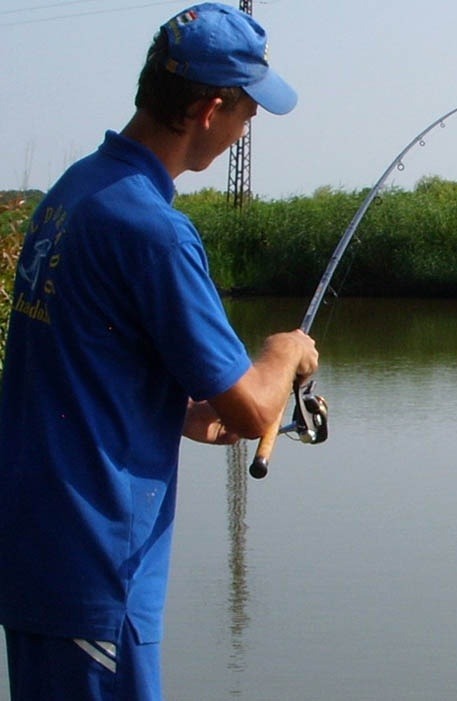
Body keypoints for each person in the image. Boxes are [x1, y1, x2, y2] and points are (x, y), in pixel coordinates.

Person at [0, 4, 317, 699]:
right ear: (210, 109)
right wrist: (285, 351)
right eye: (247, 113)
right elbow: (250, 405)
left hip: (35, 560)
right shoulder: (155, 232)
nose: (247, 128)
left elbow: (88, 369)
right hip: (98, 572)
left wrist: (182, 409)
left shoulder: (72, 194)